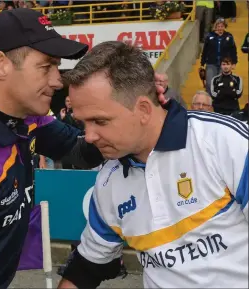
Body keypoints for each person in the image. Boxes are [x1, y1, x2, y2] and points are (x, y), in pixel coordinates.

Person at [0, 8, 165, 289]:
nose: (58, 80)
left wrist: (135, 114)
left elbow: (81, 151)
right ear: (1, 64)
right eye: (46, 66)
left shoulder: (26, 118)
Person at [57, 41, 248, 288]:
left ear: (144, 109)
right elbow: (88, 267)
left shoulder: (222, 142)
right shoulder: (108, 181)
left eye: (100, 121)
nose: (89, 136)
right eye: (83, 123)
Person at [200, 18, 237, 96]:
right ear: (215, 26)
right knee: (209, 83)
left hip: (224, 64)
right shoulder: (209, 36)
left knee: (221, 83)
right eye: (218, 26)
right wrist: (202, 62)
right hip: (211, 63)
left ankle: (218, 100)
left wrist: (234, 62)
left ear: (224, 27)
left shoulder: (229, 36)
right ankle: (209, 101)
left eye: (222, 26)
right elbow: (205, 50)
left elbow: (233, 50)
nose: (220, 28)